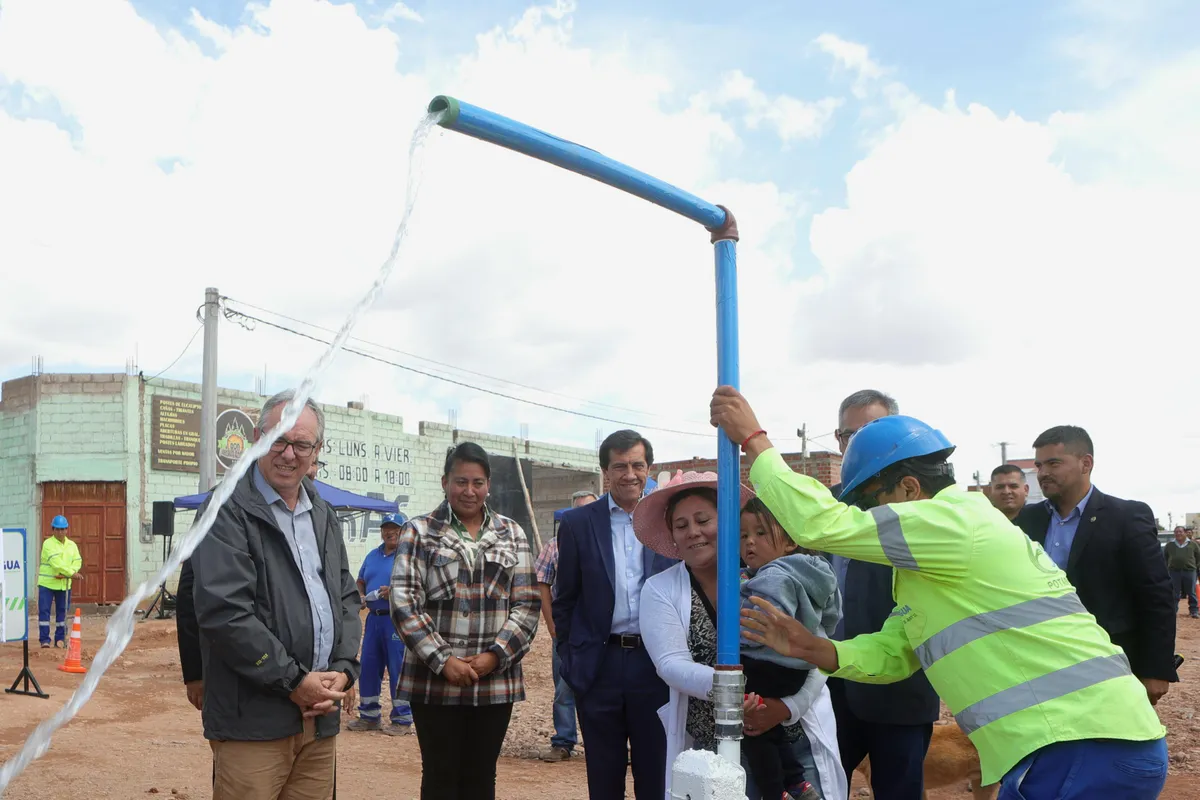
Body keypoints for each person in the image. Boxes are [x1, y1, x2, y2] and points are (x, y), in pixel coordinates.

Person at [713, 387, 1169, 798]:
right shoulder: (939, 559)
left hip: (1080, 746)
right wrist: (817, 649)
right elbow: (897, 653)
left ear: (909, 489)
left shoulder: (956, 522)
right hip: (1069, 745)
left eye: (872, 504)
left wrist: (755, 440)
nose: (872, 519)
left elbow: (824, 524)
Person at [191, 390, 362, 800]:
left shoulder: (321, 512)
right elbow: (224, 612)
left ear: (316, 449)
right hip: (253, 721)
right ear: (256, 438)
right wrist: (293, 681)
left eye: (301, 444)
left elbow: (346, 597)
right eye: (278, 440)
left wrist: (343, 668)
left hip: (319, 718)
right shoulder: (226, 509)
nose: (288, 454)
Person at [634, 471, 845, 800]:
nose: (693, 532)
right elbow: (671, 664)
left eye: (703, 520)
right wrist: (734, 693)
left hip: (795, 740)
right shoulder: (661, 589)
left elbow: (817, 649)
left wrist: (786, 706)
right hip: (714, 755)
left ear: (727, 522)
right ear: (673, 536)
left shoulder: (777, 572)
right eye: (681, 525)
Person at [390, 442, 540, 800]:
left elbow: (527, 605)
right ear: (445, 482)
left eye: (477, 482)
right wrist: (444, 661)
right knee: (440, 777)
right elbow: (404, 603)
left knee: (480, 777)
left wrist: (495, 657)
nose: (468, 491)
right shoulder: (419, 532)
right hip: (433, 682)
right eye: (460, 481)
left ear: (488, 485)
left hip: (495, 682)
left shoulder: (512, 533)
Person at [826, 389, 939, 799]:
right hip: (831, 684)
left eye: (869, 432)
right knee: (820, 787)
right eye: (848, 435)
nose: (856, 445)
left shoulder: (921, 506)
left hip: (900, 692)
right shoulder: (826, 510)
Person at [1013, 425, 1177, 705]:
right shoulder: (1027, 520)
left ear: (1085, 463)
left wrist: (1155, 668)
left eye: (1054, 463)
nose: (1043, 473)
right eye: (1039, 465)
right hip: (1041, 658)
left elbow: (1156, 594)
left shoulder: (1126, 516)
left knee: (1115, 743)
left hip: (1109, 660)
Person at [553, 430, 676, 799]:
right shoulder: (578, 524)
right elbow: (565, 599)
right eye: (619, 466)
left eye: (637, 465)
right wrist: (572, 657)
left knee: (654, 773)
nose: (629, 474)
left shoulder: (667, 519)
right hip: (598, 664)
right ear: (605, 471)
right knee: (603, 777)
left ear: (649, 468)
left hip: (654, 664)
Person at [739, 497, 841, 800]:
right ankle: (796, 780)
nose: (750, 543)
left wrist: (737, 634)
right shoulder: (817, 572)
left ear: (790, 542)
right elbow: (833, 619)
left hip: (768, 664)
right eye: (744, 535)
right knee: (769, 728)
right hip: (797, 668)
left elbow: (762, 624)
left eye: (760, 533)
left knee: (752, 729)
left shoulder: (774, 575)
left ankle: (775, 792)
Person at [534, 489, 597, 762]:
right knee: (563, 687)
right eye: (579, 509)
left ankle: (603, 742)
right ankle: (563, 741)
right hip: (567, 630)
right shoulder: (554, 545)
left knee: (602, 687)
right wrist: (551, 625)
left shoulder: (607, 543)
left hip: (599, 631)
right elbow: (542, 585)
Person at [347, 512, 413, 734]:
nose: (389, 532)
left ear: (403, 530)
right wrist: (361, 596)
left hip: (396, 620)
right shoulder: (372, 556)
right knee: (368, 665)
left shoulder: (408, 557)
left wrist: (393, 592)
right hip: (374, 620)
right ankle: (369, 715)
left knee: (398, 667)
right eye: (386, 528)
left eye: (394, 528)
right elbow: (360, 580)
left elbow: (418, 586)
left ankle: (402, 718)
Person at [37, 515, 81, 648]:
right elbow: (56, 564)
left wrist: (72, 571)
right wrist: (71, 573)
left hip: (64, 585)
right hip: (47, 584)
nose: (61, 532)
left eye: (63, 529)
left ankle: (60, 639)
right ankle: (44, 639)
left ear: (67, 530)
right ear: (53, 530)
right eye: (58, 529)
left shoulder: (72, 545)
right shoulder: (48, 544)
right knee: (44, 611)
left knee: (63, 611)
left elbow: (77, 560)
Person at [1163, 526, 1200, 619]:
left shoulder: (1193, 544)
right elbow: (1165, 557)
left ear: (1185, 533)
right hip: (1174, 571)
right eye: (1176, 532)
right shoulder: (1169, 545)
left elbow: (1198, 557)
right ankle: (1173, 611)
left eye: (1180, 531)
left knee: (1191, 592)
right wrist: (1169, 567)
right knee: (1174, 592)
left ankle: (1194, 611)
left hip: (1190, 571)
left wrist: (1193, 566)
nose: (1178, 533)